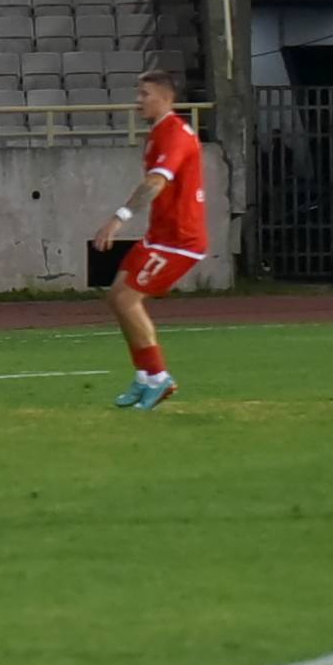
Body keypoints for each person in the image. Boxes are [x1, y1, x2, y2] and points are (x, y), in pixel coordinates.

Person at [92, 68, 205, 410]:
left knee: (127, 300)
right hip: (160, 237)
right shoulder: (157, 133)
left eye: (145, 94)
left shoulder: (175, 135)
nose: (137, 101)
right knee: (116, 297)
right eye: (138, 93)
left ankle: (158, 378)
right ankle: (145, 376)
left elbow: (156, 183)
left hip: (180, 240)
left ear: (166, 98)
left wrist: (118, 219)